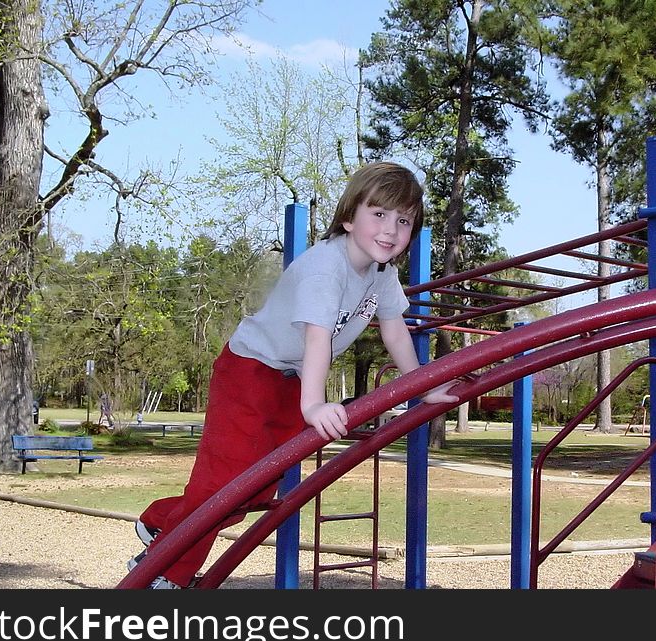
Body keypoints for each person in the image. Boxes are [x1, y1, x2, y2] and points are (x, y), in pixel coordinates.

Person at [130, 162, 459, 589]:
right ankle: (163, 574)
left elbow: (396, 330)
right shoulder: (327, 266)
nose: (391, 230)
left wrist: (423, 387)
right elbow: (317, 338)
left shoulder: (383, 274)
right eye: (378, 214)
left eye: (403, 221)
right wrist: (314, 404)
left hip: (290, 380)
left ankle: (161, 520)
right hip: (250, 370)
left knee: (259, 490)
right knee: (223, 483)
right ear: (348, 217)